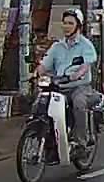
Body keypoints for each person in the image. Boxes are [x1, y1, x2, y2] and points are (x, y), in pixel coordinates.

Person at [36, 8, 98, 149]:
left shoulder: (86, 45)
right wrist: (37, 72)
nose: (66, 26)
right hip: (58, 87)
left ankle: (81, 142)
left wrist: (77, 74)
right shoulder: (57, 46)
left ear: (78, 26)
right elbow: (45, 64)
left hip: (79, 87)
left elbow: (86, 65)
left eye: (70, 23)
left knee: (79, 103)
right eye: (64, 23)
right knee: (40, 103)